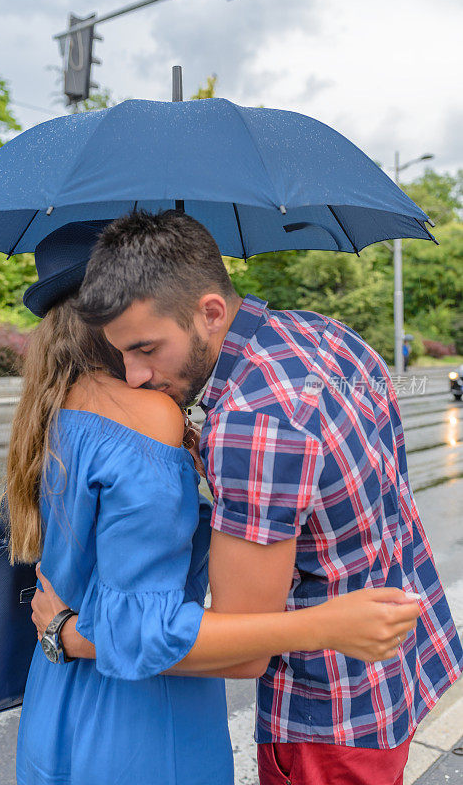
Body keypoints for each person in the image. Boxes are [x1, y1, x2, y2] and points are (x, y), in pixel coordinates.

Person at [35, 210, 462, 785]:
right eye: (123, 355)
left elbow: (242, 649)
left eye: (147, 349)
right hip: (403, 669)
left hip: (326, 717)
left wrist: (67, 632)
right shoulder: (325, 334)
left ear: (210, 312)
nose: (135, 376)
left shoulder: (250, 425)